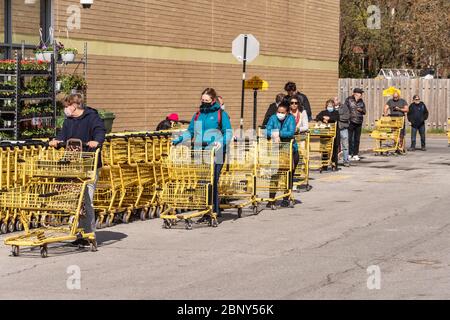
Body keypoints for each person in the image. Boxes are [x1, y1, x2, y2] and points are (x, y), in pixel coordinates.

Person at [50, 93, 106, 246]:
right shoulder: (68, 121)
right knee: (76, 200)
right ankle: (78, 233)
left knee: (86, 199)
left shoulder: (92, 117)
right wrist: (56, 140)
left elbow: (100, 131)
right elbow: (63, 135)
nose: (65, 110)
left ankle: (88, 234)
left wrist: (96, 141)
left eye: (66, 106)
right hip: (73, 164)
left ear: (74, 106)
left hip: (89, 163)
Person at [172, 88, 232, 219]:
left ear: (213, 100)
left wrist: (221, 142)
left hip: (217, 152)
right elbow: (190, 131)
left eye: (207, 100)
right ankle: (206, 211)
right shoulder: (198, 115)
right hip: (200, 152)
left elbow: (228, 131)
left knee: (213, 180)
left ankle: (214, 211)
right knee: (203, 182)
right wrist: (179, 139)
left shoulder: (220, 114)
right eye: (202, 100)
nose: (204, 102)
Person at [265, 99, 299, 208]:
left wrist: (278, 133)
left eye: (282, 112)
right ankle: (271, 199)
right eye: (278, 112)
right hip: (276, 150)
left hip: (290, 150)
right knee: (275, 174)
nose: (280, 114)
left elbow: (291, 132)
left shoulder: (291, 119)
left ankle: (286, 197)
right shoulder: (273, 118)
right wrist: (273, 134)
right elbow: (267, 129)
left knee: (288, 174)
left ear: (287, 112)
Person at [316, 99, 340, 170]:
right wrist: (323, 118)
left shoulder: (336, 112)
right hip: (325, 134)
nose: (330, 107)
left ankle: (334, 164)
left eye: (331, 106)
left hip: (334, 133)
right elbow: (317, 117)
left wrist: (329, 118)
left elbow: (336, 118)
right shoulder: (323, 112)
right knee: (325, 149)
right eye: (329, 106)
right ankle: (324, 165)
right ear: (326, 106)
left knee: (334, 149)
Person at [345, 88, 366, 161]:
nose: (361, 95)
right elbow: (345, 109)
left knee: (357, 139)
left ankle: (356, 154)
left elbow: (364, 112)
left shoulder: (361, 101)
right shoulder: (349, 100)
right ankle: (350, 154)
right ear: (355, 93)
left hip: (359, 122)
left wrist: (361, 110)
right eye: (360, 93)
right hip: (351, 121)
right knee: (350, 139)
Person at [335, 96, 350, 167]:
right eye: (334, 100)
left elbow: (347, 116)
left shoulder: (344, 107)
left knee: (345, 146)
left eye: (337, 99)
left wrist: (337, 117)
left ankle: (346, 161)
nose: (335, 101)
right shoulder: (331, 108)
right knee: (335, 146)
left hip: (343, 128)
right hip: (335, 129)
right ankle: (335, 161)